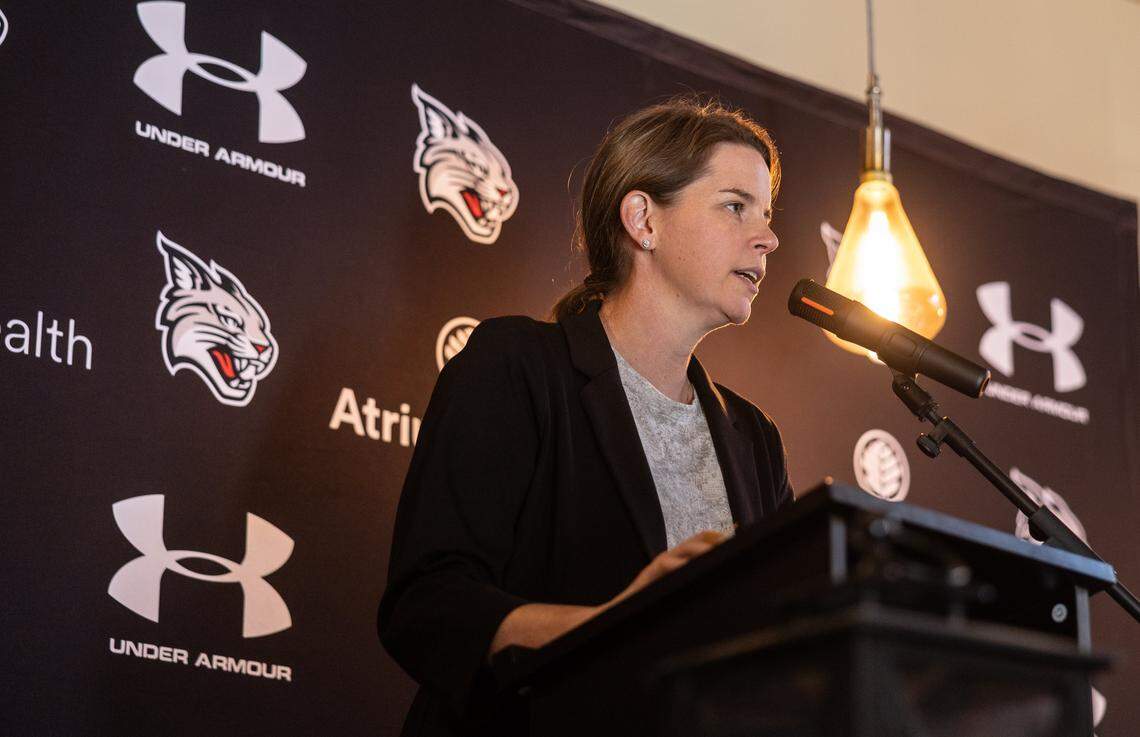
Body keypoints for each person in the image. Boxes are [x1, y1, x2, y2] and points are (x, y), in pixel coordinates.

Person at [378, 97, 793, 737]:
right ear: (642, 220)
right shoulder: (516, 367)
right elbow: (429, 606)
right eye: (735, 206)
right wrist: (623, 621)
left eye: (765, 216)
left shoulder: (755, 440)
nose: (767, 236)